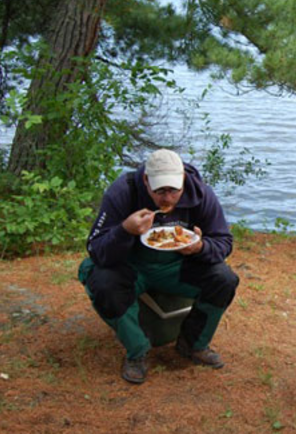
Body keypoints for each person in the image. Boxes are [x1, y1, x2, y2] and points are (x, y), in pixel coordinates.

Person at [78, 149, 239, 384]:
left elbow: (224, 242)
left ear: (183, 179)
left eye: (174, 190)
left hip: (177, 265)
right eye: (159, 191)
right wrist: (124, 230)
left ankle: (193, 344)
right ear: (146, 181)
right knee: (102, 283)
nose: (167, 199)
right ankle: (137, 351)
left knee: (224, 279)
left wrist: (200, 247)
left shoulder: (200, 193)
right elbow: (95, 248)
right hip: (130, 265)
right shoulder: (123, 191)